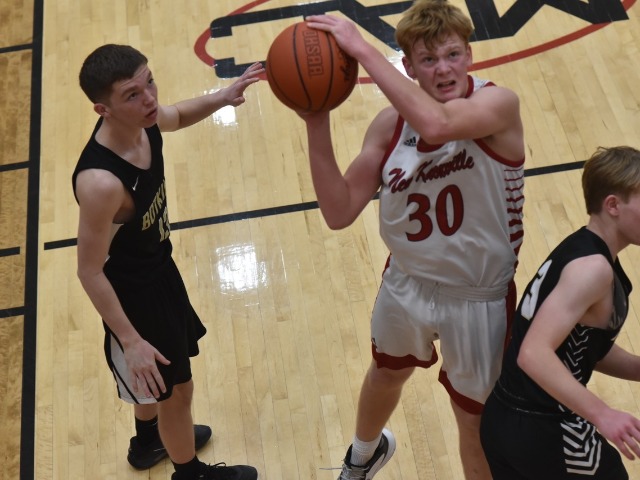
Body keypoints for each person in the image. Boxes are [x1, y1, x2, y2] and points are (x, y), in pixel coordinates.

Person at [301, 1, 525, 478]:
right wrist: (315, 122)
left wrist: (362, 48)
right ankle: (362, 457)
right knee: (386, 373)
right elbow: (338, 212)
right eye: (428, 59)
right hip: (407, 282)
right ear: (408, 66)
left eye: (452, 55)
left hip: (477, 296)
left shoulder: (498, 105)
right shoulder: (389, 126)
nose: (443, 69)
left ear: (469, 55)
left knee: (473, 422)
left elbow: (438, 125)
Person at [73, 44, 263, 480]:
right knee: (177, 393)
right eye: (132, 94)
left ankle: (148, 442)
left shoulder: (143, 123)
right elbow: (89, 270)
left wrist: (222, 96)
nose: (150, 99)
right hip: (133, 298)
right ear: (103, 110)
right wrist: (131, 340)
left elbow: (175, 115)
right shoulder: (101, 183)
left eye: (150, 83)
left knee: (157, 385)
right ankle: (189, 473)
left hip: (158, 269)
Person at [480, 146, 640, 479]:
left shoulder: (581, 249)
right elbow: (533, 354)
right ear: (613, 205)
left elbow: (580, 347)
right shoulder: (593, 269)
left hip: (506, 419)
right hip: (547, 427)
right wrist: (603, 414)